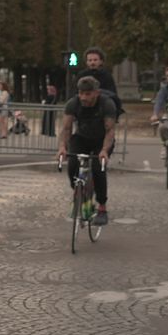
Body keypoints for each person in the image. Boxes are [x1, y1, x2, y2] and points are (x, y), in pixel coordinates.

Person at [57, 76, 116, 225]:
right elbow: (66, 128)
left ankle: (102, 207)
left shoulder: (106, 104)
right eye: (81, 93)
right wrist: (62, 147)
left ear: (96, 93)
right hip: (81, 138)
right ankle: (78, 189)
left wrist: (104, 150)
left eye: (87, 94)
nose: (83, 97)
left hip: (101, 140)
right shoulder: (73, 103)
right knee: (72, 165)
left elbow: (110, 131)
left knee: (98, 168)